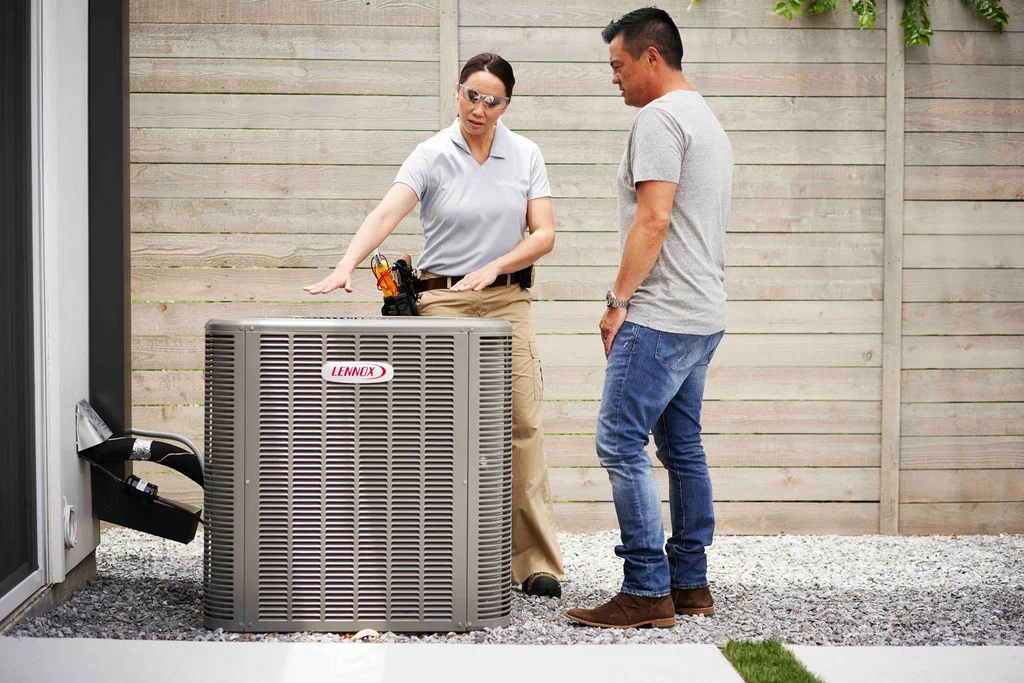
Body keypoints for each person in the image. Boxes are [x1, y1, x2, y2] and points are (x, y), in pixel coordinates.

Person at [304, 52, 565, 598]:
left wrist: (495, 266)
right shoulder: (431, 154)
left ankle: (535, 562)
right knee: (434, 432)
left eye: (492, 100)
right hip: (442, 303)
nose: (479, 108)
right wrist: (345, 265)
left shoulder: (526, 154)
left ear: (506, 105)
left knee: (522, 426)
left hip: (507, 302)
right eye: (472, 95)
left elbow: (543, 234)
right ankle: (432, 553)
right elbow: (385, 214)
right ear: (457, 91)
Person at [565, 7, 733, 629]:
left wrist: (617, 302)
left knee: (619, 441)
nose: (614, 77)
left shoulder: (660, 118)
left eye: (618, 65)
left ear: (651, 57)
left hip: (660, 315)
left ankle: (645, 590)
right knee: (682, 446)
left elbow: (655, 219)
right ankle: (689, 585)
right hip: (702, 313)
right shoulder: (705, 117)